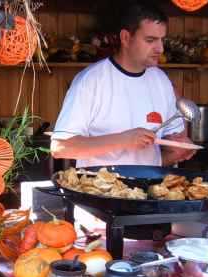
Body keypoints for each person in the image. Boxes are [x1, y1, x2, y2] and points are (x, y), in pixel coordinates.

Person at [50, 1, 196, 168]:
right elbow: (60, 147)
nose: (160, 48)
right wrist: (123, 140)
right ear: (126, 38)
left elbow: (167, 145)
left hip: (149, 190)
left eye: (162, 40)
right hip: (99, 191)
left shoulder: (161, 81)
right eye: (150, 40)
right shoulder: (91, 81)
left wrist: (177, 147)